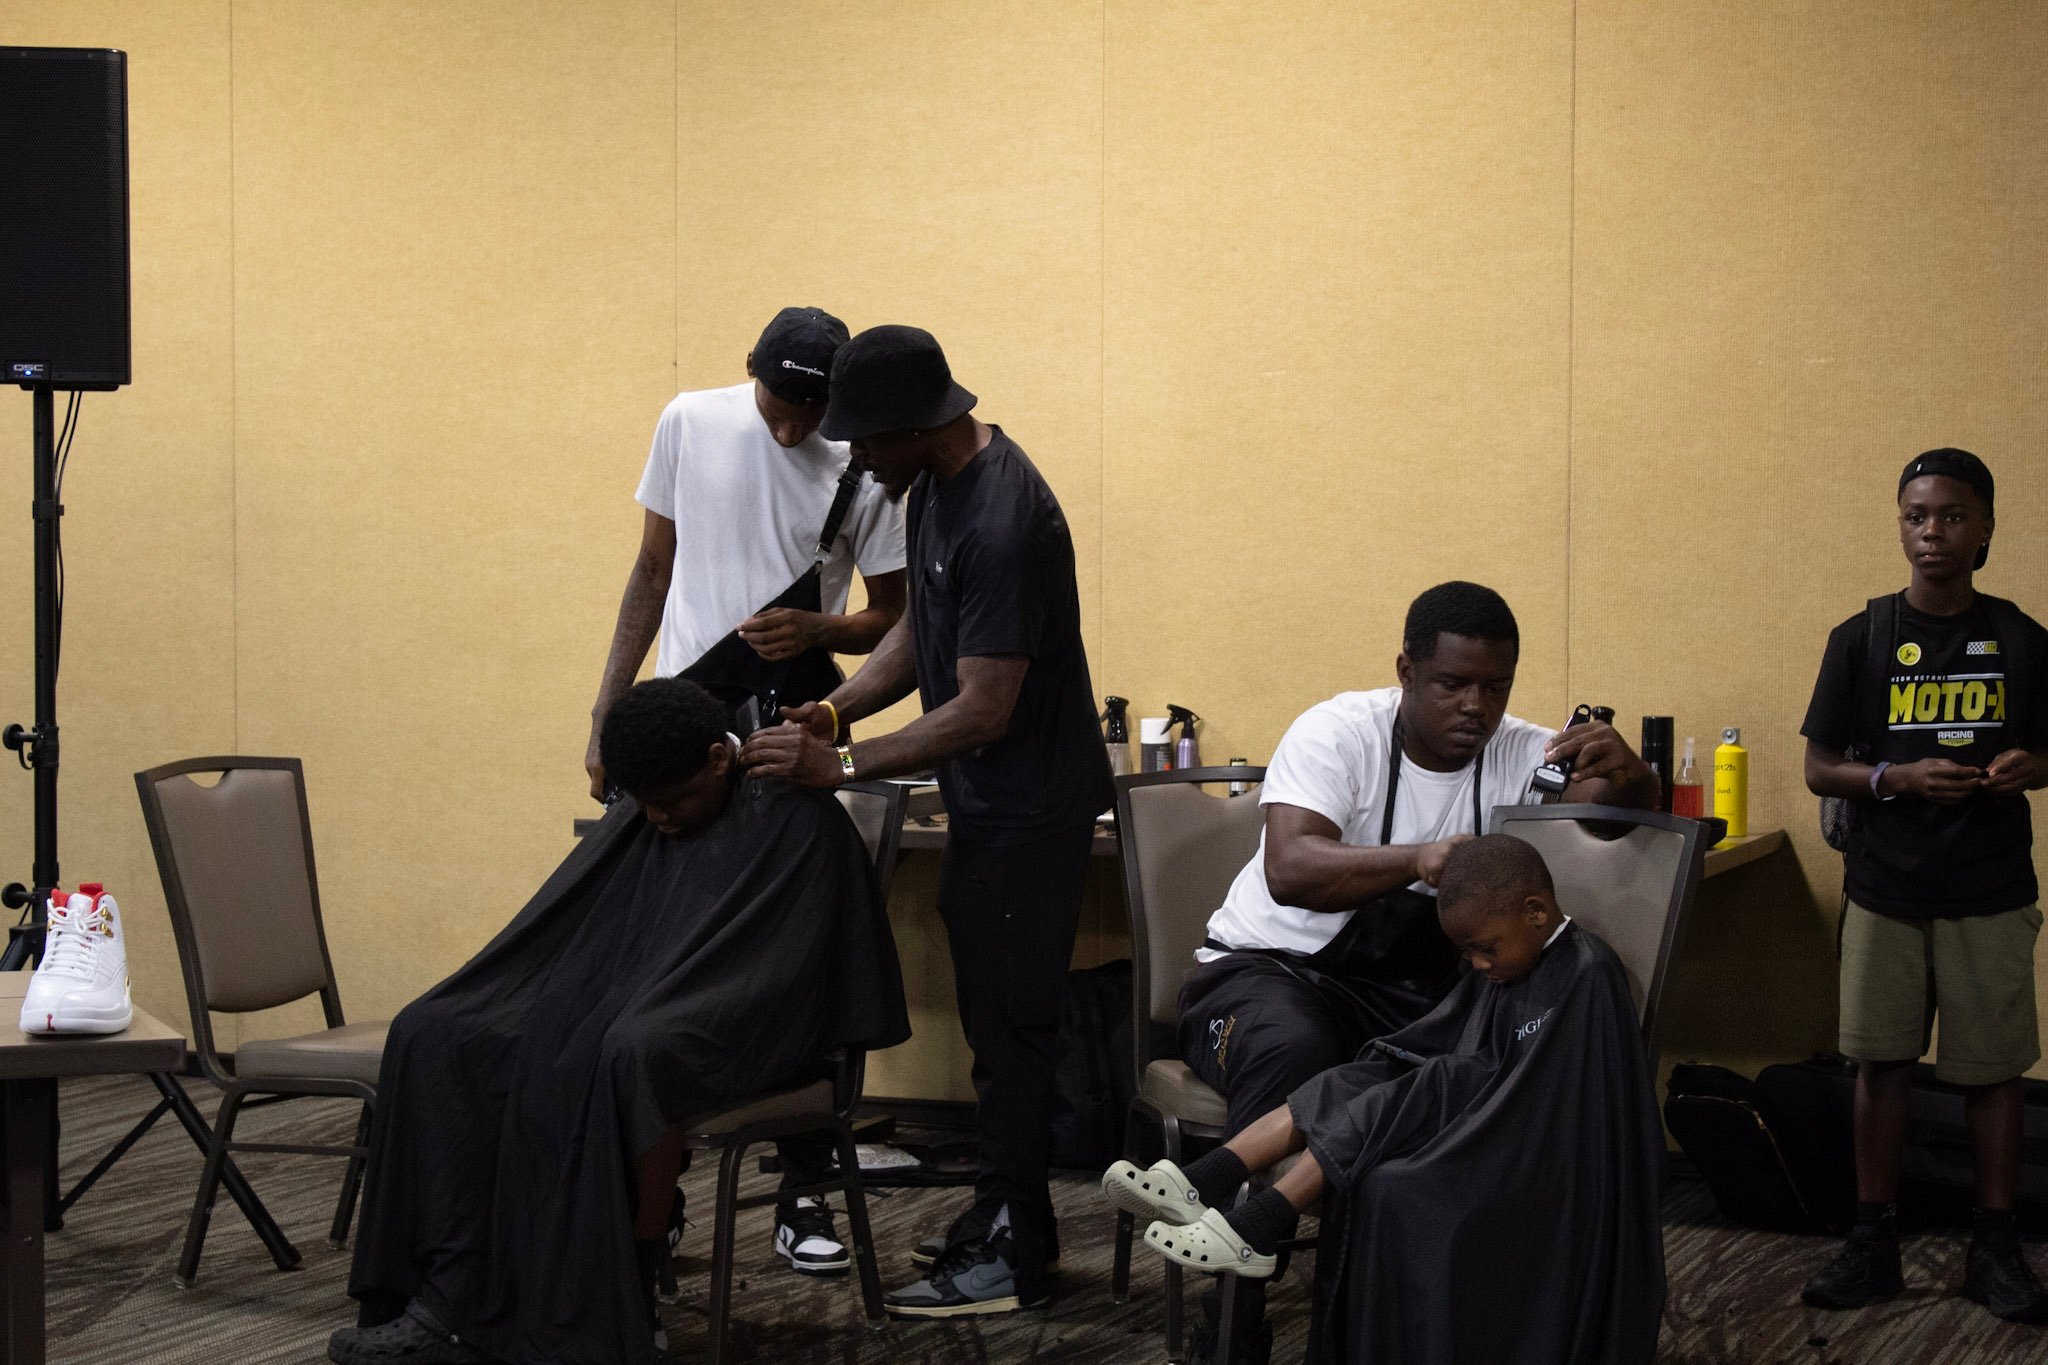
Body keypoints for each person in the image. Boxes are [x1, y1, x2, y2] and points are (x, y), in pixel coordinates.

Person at [330, 676, 908, 1365]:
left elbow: (787, 968)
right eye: (646, 805)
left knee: (628, 1050)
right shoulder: (649, 805)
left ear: (718, 761)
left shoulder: (792, 815)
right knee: (436, 1028)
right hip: (651, 995)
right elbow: (585, 926)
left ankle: (616, 1293)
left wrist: (643, 1002)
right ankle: (448, 1292)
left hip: (759, 1026)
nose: (659, 818)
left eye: (672, 802)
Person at [1172, 580, 1658, 1362]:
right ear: (1406, 669)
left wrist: (1632, 778)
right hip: (1265, 972)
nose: (1476, 705)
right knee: (1298, 1052)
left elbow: (1603, 814)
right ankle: (1233, 1318)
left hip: (1397, 997)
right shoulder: (1337, 733)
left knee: (1419, 1072)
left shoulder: (1522, 754)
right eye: (1453, 684)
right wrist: (1418, 860)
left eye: (1495, 687)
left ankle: (1355, 1316)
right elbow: (1291, 867)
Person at [742, 324, 1114, 1317]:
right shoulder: (942, 486)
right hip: (988, 806)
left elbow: (982, 705)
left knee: (1013, 1032)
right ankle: (1000, 1220)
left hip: (1027, 811)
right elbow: (921, 631)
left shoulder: (1003, 519)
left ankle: (1014, 1249)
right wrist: (834, 708)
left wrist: (842, 765)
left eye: (864, 441)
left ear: (913, 424)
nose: (855, 460)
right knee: (997, 1032)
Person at [584, 305, 907, 1275]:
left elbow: (891, 622)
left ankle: (804, 1181)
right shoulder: (689, 418)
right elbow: (652, 568)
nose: (788, 429)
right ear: (748, 375)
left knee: (786, 956)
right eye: (776, 404)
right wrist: (608, 712)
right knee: (648, 949)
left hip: (791, 723)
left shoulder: (864, 463)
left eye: (809, 411)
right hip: (679, 715)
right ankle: (656, 1189)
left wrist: (819, 634)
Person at [1106, 835, 1665, 1364]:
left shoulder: (1587, 976)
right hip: (1485, 1113)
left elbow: (1561, 1100)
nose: (1477, 965)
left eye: (1484, 949)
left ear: (1536, 913)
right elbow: (1456, 1040)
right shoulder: (1510, 960)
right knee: (1354, 1079)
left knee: (1412, 1094)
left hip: (1525, 1147)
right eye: (1468, 953)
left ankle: (1261, 1222)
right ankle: (1202, 1180)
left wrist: (1442, 1082)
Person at [1799, 447, 2048, 1323]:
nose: (1931, 531)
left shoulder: (2021, 637)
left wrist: (2033, 764)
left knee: (1994, 1074)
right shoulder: (1861, 636)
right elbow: (1820, 766)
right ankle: (1873, 1242)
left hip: (1990, 888)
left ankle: (1996, 1245)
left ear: (1984, 528)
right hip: (1884, 889)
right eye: (1916, 515)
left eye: (1951, 515)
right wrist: (1893, 780)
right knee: (1882, 1064)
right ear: (1899, 524)